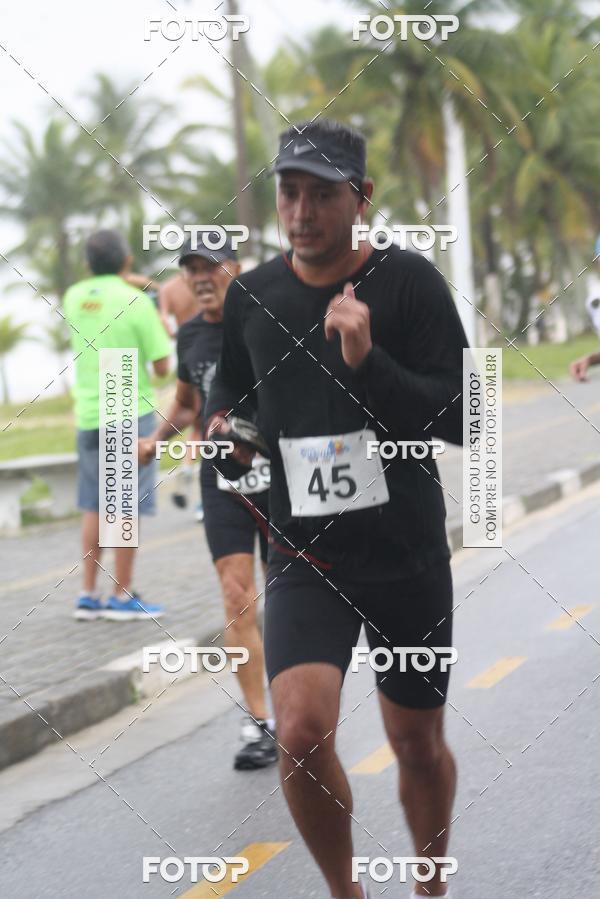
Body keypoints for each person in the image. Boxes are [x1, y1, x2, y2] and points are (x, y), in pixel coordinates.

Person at [206, 120, 468, 898]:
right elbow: (232, 388)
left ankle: (428, 879)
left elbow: (462, 415)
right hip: (305, 556)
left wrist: (367, 361)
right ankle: (345, 892)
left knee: (414, 741)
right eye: (290, 192)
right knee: (298, 729)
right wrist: (228, 430)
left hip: (404, 555)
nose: (302, 211)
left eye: (323, 194)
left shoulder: (409, 282)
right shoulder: (254, 294)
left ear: (362, 200)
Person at [139, 233, 276, 770]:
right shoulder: (191, 335)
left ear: (234, 269)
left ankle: (299, 708)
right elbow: (188, 400)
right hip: (219, 483)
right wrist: (156, 439)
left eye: (210, 267)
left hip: (276, 478)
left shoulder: (266, 320)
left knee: (286, 594)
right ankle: (260, 723)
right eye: (191, 269)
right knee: (235, 596)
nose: (199, 278)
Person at [64, 229, 171, 621]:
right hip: (126, 406)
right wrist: (152, 291)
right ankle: (121, 597)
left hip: (88, 412)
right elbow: (162, 368)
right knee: (125, 506)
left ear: (88, 264)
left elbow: (101, 287)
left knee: (94, 503)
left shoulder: (74, 297)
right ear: (127, 262)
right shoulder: (138, 303)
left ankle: (87, 594)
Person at [159, 272, 205, 517]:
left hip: (186, 352)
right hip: (208, 348)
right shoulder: (203, 281)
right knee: (209, 422)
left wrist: (179, 334)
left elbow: (165, 322)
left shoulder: (168, 289)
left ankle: (188, 466)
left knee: (198, 423)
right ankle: (203, 498)